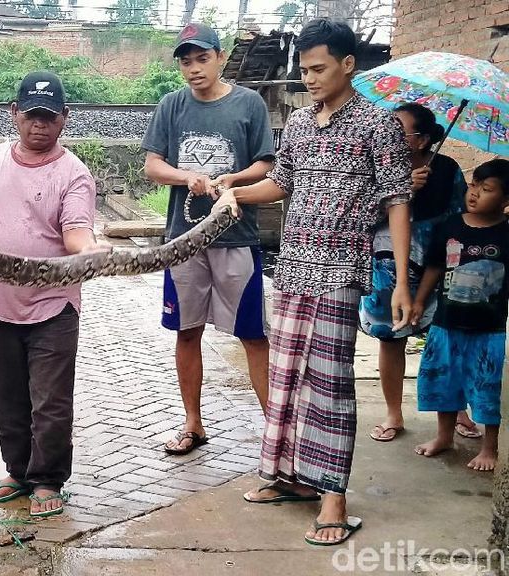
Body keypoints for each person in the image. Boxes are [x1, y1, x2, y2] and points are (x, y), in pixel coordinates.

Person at [214, 19, 414, 546]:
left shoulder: (378, 125)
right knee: (286, 379)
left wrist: (400, 282)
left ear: (348, 64)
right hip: (293, 270)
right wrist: (235, 192)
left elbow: (397, 201)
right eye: (304, 70)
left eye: (319, 68)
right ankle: (291, 479)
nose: (310, 78)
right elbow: (280, 184)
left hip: (340, 273)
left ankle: (333, 499)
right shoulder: (301, 123)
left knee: (330, 385)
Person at [0, 71, 105, 518]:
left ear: (64, 118)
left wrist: (91, 251)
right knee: (4, 394)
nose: (40, 124)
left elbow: (76, 232)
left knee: (50, 400)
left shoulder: (73, 173)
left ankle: (48, 479)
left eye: (49, 116)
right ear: (14, 113)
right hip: (0, 303)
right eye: (32, 114)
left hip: (53, 305)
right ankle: (18, 471)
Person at [141, 22, 275, 455]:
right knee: (186, 331)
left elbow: (266, 164)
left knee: (252, 334)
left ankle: (275, 431)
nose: (194, 68)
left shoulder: (249, 103)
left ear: (220, 57)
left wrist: (233, 179)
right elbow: (153, 166)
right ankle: (193, 424)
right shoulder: (171, 105)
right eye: (186, 61)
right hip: (184, 241)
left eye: (202, 58)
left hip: (237, 237)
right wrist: (187, 176)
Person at [358, 103, 475, 442]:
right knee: (390, 339)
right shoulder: (373, 166)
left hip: (437, 267)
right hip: (386, 271)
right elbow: (358, 216)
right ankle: (393, 413)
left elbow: (459, 221)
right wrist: (403, 190)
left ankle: (456, 410)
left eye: (399, 131)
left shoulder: (447, 169)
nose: (388, 136)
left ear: (422, 140)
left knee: (446, 341)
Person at [411, 159, 509, 471]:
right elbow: (435, 267)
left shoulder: (507, 233)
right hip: (446, 323)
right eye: (473, 185)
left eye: (487, 189)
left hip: (490, 330)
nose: (475, 193)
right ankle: (444, 437)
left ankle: (490, 447)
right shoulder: (451, 226)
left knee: (488, 385)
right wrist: (419, 302)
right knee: (445, 381)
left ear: (506, 200)